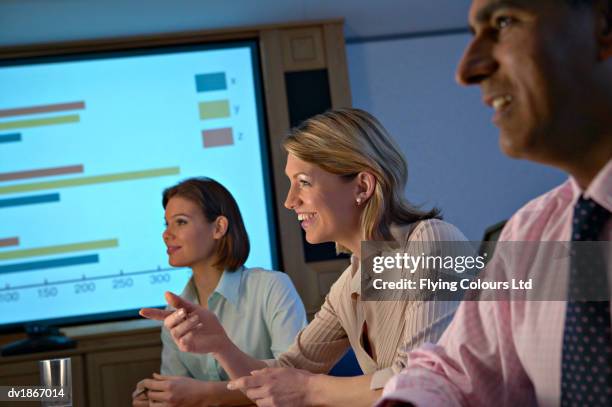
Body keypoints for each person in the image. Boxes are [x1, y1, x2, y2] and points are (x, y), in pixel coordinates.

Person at [141, 108, 469, 406]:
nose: (289, 201)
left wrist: (310, 389)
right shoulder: (350, 283)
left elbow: (420, 383)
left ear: (362, 186)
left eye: (304, 183)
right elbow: (284, 373)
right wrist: (221, 345)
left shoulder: (432, 240)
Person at [376, 0, 612, 406]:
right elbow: (457, 373)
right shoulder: (534, 232)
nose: (466, 70)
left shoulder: (430, 242)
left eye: (503, 22)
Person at [132, 177, 307, 407]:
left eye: (181, 222)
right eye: (166, 224)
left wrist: (207, 395)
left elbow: (294, 383)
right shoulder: (173, 311)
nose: (167, 234)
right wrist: (159, 396)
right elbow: (179, 392)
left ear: (218, 228)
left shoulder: (272, 287)